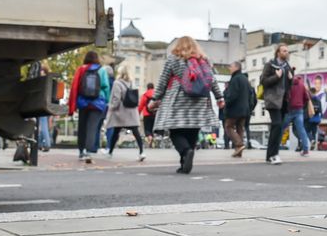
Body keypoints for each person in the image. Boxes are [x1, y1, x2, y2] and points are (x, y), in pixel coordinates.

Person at [148, 36, 224, 174]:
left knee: (175, 131)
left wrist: (155, 98)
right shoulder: (203, 60)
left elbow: (163, 80)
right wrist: (219, 97)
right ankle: (184, 163)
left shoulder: (174, 58)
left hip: (178, 99)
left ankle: (186, 151)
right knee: (192, 131)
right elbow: (211, 80)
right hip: (199, 100)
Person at [68, 50, 110, 163]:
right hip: (97, 102)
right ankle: (88, 152)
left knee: (82, 127)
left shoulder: (81, 69)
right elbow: (106, 87)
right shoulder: (102, 70)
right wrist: (106, 101)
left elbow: (75, 86)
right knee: (92, 127)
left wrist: (74, 103)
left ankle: (81, 151)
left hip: (83, 102)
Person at [105, 63, 146, 161]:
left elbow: (116, 99)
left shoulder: (117, 83)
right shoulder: (132, 83)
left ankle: (110, 152)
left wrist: (111, 107)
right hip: (132, 111)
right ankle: (141, 152)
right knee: (136, 132)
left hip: (121, 112)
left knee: (116, 131)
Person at [260, 43, 293, 164]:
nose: (286, 53)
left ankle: (271, 155)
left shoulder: (287, 66)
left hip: (284, 101)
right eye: (284, 51)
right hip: (273, 100)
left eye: (287, 51)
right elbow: (263, 81)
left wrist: (291, 79)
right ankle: (273, 154)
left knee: (278, 128)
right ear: (278, 52)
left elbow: (289, 85)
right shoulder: (270, 65)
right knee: (277, 124)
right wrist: (276, 76)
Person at [223, 60, 250, 157]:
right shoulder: (245, 79)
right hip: (244, 109)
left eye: (231, 66)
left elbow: (232, 96)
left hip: (235, 109)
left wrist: (226, 103)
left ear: (236, 68)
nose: (229, 68)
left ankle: (239, 144)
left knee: (228, 127)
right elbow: (250, 95)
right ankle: (239, 152)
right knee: (240, 129)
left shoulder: (235, 79)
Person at [281, 74, 311, 156]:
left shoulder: (288, 84)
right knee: (301, 129)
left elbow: (285, 96)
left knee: (281, 128)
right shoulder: (302, 85)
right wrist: (301, 104)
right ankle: (306, 150)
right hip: (299, 109)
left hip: (289, 109)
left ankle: (275, 148)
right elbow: (307, 98)